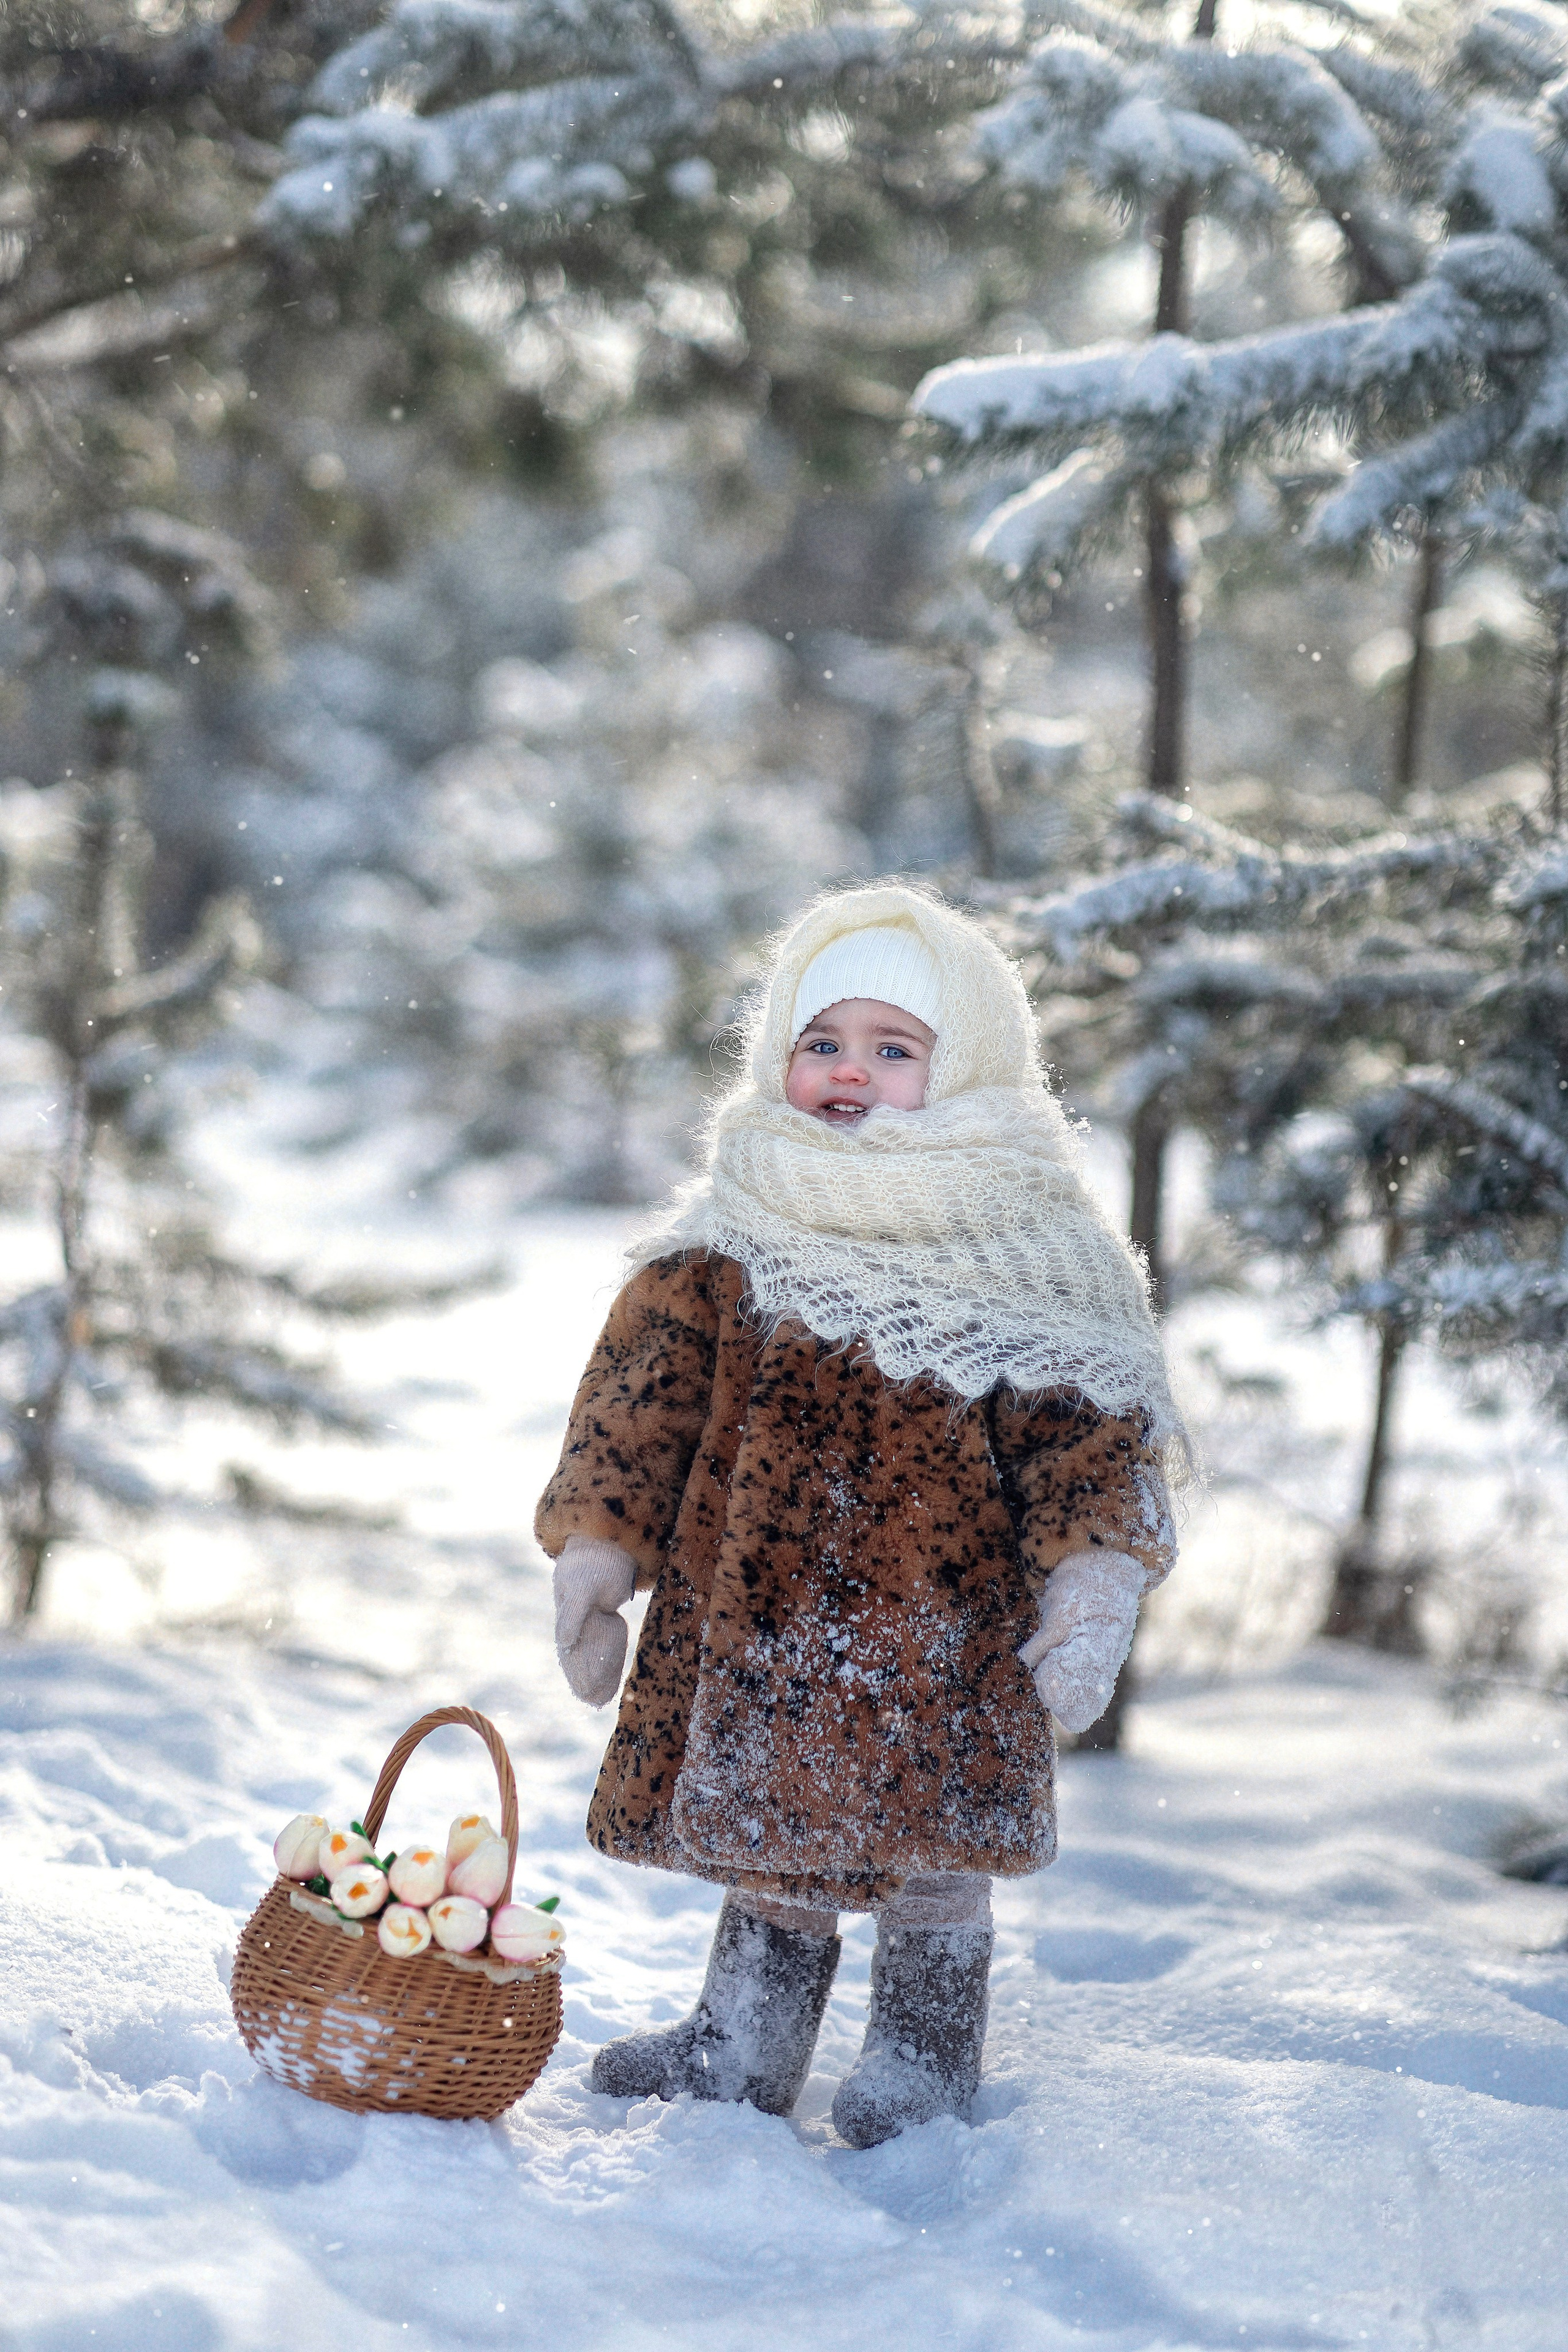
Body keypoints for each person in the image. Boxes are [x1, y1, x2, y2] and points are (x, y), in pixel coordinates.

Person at [535, 882, 1182, 2147]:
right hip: (761, 1625)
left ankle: (923, 2061)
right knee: (775, 1838)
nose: (847, 1072)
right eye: (820, 1042)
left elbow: (1084, 1435)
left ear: (970, 1068)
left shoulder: (1022, 1243)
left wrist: (1092, 1583)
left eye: (894, 1049)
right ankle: (742, 2044)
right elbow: (641, 1401)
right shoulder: (730, 1229)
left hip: (946, 1640)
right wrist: (599, 1553)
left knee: (932, 1862)